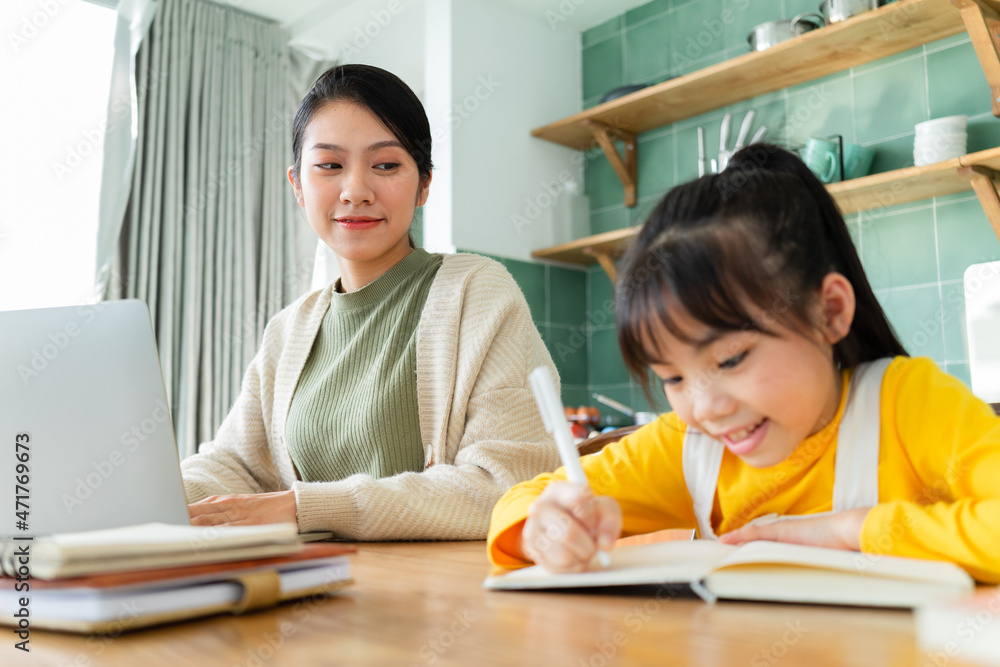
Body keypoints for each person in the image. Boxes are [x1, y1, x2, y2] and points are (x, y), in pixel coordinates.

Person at [487, 144, 1000, 583]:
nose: (706, 406)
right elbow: (521, 502)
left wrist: (851, 530)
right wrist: (546, 527)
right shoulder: (695, 449)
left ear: (831, 312)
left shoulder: (905, 406)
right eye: (673, 377)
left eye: (731, 359)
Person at [182, 64, 560, 540]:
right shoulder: (288, 330)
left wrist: (309, 509)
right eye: (329, 165)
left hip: (441, 599)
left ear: (423, 184)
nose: (356, 191)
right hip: (315, 592)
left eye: (385, 165)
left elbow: (508, 487)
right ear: (298, 184)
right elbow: (233, 465)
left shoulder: (478, 292)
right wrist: (147, 495)